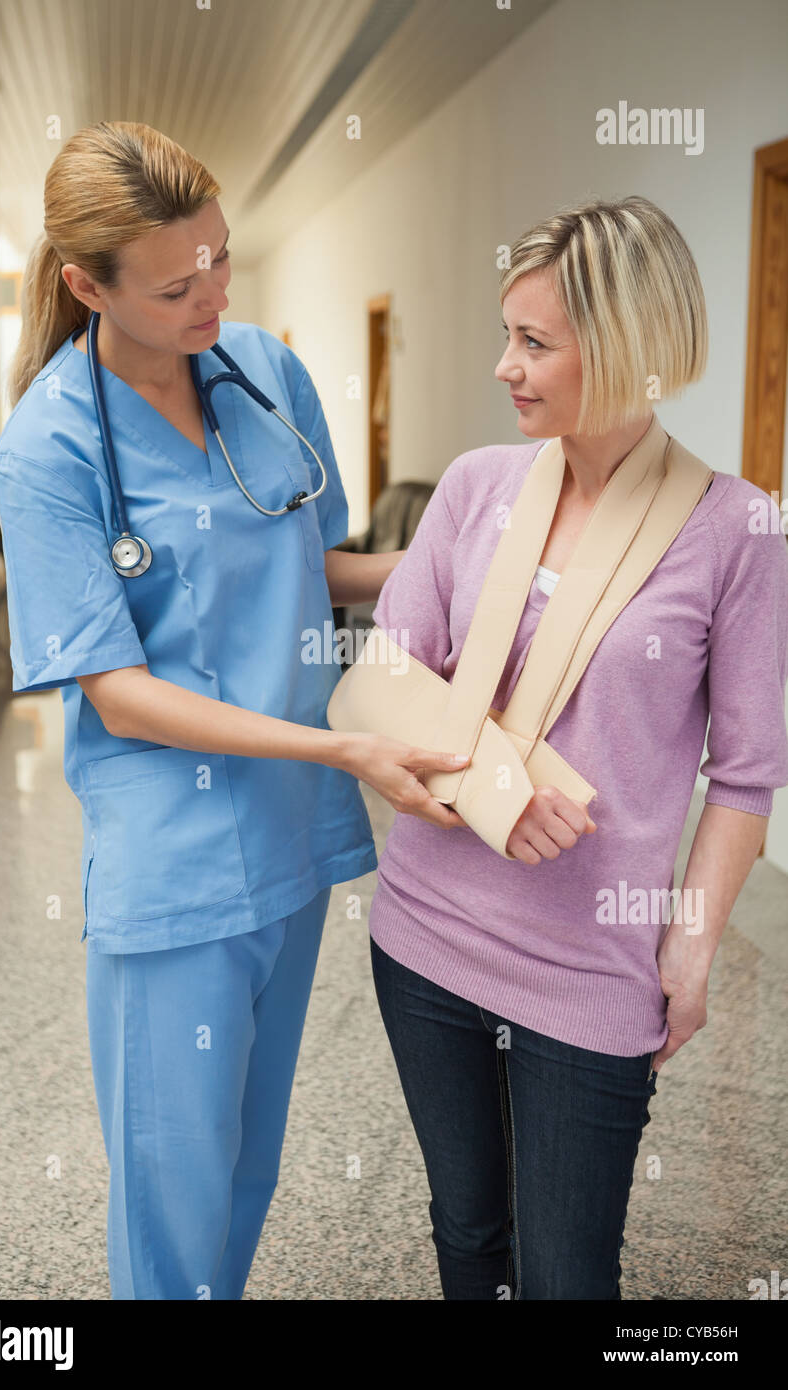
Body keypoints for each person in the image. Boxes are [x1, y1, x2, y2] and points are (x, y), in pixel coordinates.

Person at [0, 119, 471, 1300]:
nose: (212, 291)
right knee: (174, 1194)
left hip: (293, 840)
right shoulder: (48, 447)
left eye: (219, 255)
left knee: (249, 1169)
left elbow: (317, 565)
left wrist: (468, 563)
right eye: (174, 281)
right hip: (177, 871)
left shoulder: (260, 365)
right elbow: (121, 692)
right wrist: (342, 744)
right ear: (83, 286)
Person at [366, 195, 788, 1300]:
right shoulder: (475, 488)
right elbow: (382, 685)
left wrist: (688, 954)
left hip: (591, 969)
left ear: (627, 348)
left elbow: (744, 779)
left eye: (533, 342)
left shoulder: (737, 531)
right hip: (424, 935)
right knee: (468, 1237)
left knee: (564, 1276)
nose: (503, 365)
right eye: (507, 334)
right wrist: (492, 789)